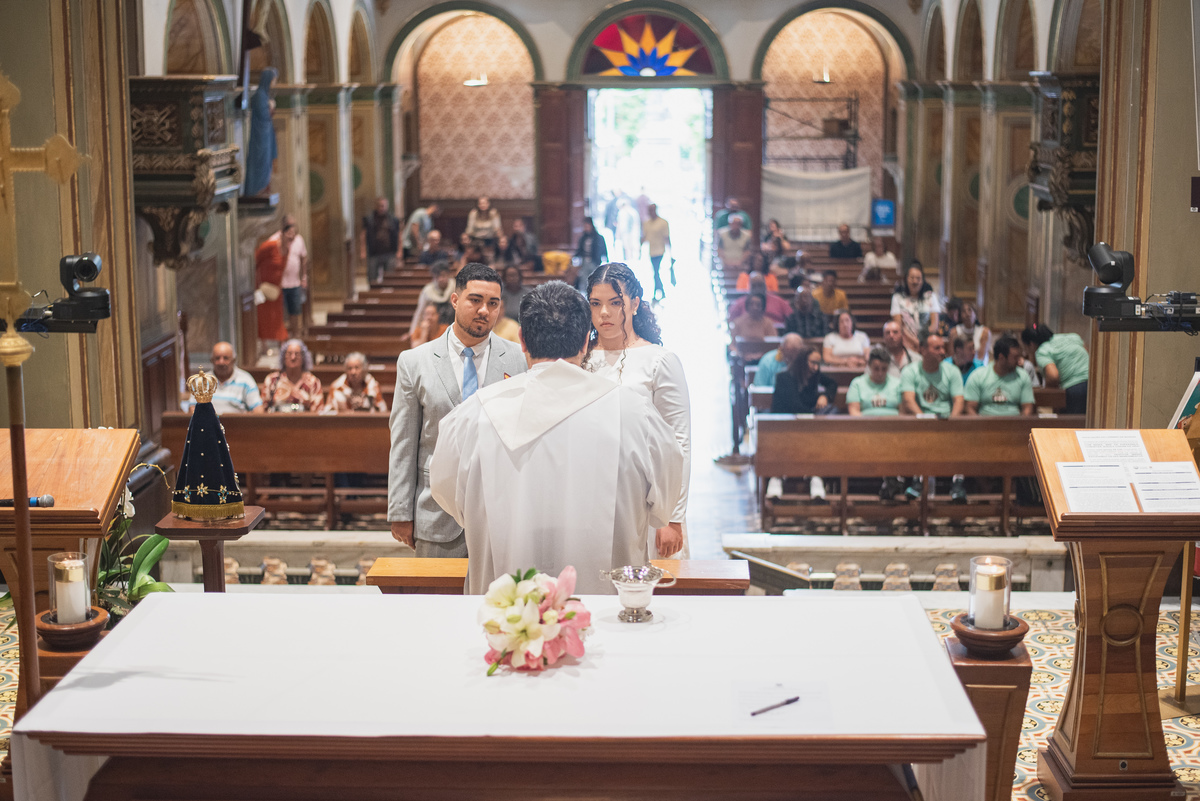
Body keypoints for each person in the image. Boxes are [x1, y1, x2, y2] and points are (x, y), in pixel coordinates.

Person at [430, 281, 683, 594]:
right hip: (607, 618)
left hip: (506, 623)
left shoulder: (473, 416)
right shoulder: (634, 415)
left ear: (521, 340)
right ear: (585, 343)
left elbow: (448, 496)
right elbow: (665, 501)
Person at [388, 263, 528, 557]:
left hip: (500, 513)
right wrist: (400, 510)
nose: (484, 311)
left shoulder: (518, 359)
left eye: (493, 303)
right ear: (455, 300)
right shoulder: (415, 362)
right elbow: (403, 442)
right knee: (436, 602)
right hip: (436, 513)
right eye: (475, 300)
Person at [585, 262, 690, 560]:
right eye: (596, 303)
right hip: (594, 494)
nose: (604, 312)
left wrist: (672, 517)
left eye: (614, 303)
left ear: (634, 304)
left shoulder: (659, 360)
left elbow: (679, 442)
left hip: (649, 499)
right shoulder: (580, 358)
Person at [897, 331, 966, 502]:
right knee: (920, 435)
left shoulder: (952, 371)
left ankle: (958, 484)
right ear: (923, 350)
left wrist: (953, 420)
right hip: (920, 420)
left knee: (962, 437)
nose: (943, 351)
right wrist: (924, 419)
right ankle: (918, 481)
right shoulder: (910, 371)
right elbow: (908, 400)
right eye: (937, 348)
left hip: (947, 420)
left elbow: (958, 400)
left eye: (943, 347)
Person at [771, 346, 837, 501]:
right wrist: (814, 414)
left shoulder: (813, 375)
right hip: (784, 425)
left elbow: (832, 384)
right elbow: (795, 406)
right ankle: (777, 478)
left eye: (818, 364)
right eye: (812, 363)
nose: (815, 368)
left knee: (828, 421)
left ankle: (816, 477)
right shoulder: (785, 378)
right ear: (802, 361)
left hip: (808, 423)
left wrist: (825, 396)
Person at [254, 216, 302, 348]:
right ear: (283, 233)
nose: (291, 237)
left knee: (278, 317)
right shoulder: (270, 245)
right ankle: (264, 345)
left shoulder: (287, 248)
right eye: (289, 234)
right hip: (263, 287)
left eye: (293, 235)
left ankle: (281, 342)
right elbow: (256, 259)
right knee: (263, 317)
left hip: (276, 288)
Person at [1021, 324, 1089, 414]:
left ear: (1031, 344)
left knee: (1073, 424)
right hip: (1093, 385)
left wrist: (1048, 388)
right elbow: (1088, 357)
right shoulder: (1073, 337)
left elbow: (1053, 376)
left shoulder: (1043, 350)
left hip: (1075, 389)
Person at [965, 336, 1035, 416]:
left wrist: (1020, 425)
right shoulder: (978, 376)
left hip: (1015, 425)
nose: (1018, 360)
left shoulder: (1022, 376)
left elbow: (1027, 408)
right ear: (1001, 357)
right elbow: (970, 408)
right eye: (1015, 357)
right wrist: (980, 426)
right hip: (984, 425)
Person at [891, 262, 943, 352]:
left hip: (927, 343)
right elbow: (899, 325)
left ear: (923, 280)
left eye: (918, 279)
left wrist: (923, 342)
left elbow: (934, 325)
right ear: (906, 279)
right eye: (912, 278)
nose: (915, 282)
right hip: (906, 342)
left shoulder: (931, 296)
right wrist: (915, 341)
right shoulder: (897, 298)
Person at [261, 339, 322, 412]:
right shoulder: (272, 380)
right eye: (289, 354)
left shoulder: (313, 382)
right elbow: (263, 409)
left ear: (303, 358)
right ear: (283, 357)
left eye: (297, 354)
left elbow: (318, 412)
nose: (293, 358)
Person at [244, 67, 277, 197]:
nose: (274, 83)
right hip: (260, 136)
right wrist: (271, 108)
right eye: (273, 80)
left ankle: (264, 187)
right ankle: (255, 189)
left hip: (266, 134)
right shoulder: (259, 95)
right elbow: (263, 115)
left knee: (266, 162)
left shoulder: (265, 95)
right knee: (260, 160)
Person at [205, 341, 263, 414]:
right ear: (212, 360)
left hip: (237, 424)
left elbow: (258, 410)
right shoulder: (201, 381)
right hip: (208, 424)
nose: (221, 362)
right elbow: (192, 408)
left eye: (226, 358)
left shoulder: (246, 380)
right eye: (217, 358)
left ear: (233, 360)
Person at [847, 347, 902, 416]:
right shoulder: (857, 384)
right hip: (865, 424)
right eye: (876, 369)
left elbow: (902, 412)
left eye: (884, 369)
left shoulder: (897, 384)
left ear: (888, 367)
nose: (880, 373)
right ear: (869, 366)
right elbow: (854, 412)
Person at [360, 197, 401, 285]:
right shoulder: (369, 219)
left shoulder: (393, 220)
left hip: (389, 252)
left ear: (387, 206)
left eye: (383, 206)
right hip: (374, 253)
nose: (381, 208)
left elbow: (398, 235)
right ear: (376, 206)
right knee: (372, 279)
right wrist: (363, 251)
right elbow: (363, 235)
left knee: (390, 278)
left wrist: (399, 251)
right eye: (379, 206)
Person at [409, 261, 455, 334]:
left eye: (443, 275)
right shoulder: (427, 291)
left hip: (453, 327)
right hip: (433, 330)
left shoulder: (455, 287)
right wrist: (412, 332)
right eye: (437, 277)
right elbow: (420, 312)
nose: (440, 279)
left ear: (449, 275)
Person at [642, 204, 671, 301]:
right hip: (651, 251)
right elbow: (645, 237)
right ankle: (660, 291)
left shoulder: (663, 223)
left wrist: (671, 253)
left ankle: (658, 291)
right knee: (655, 272)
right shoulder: (646, 223)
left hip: (660, 251)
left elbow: (667, 238)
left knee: (656, 272)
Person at [573, 217, 608, 292]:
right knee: (584, 279)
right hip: (585, 261)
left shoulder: (598, 237)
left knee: (595, 279)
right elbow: (580, 249)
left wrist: (605, 259)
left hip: (594, 261)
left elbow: (603, 249)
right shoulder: (583, 238)